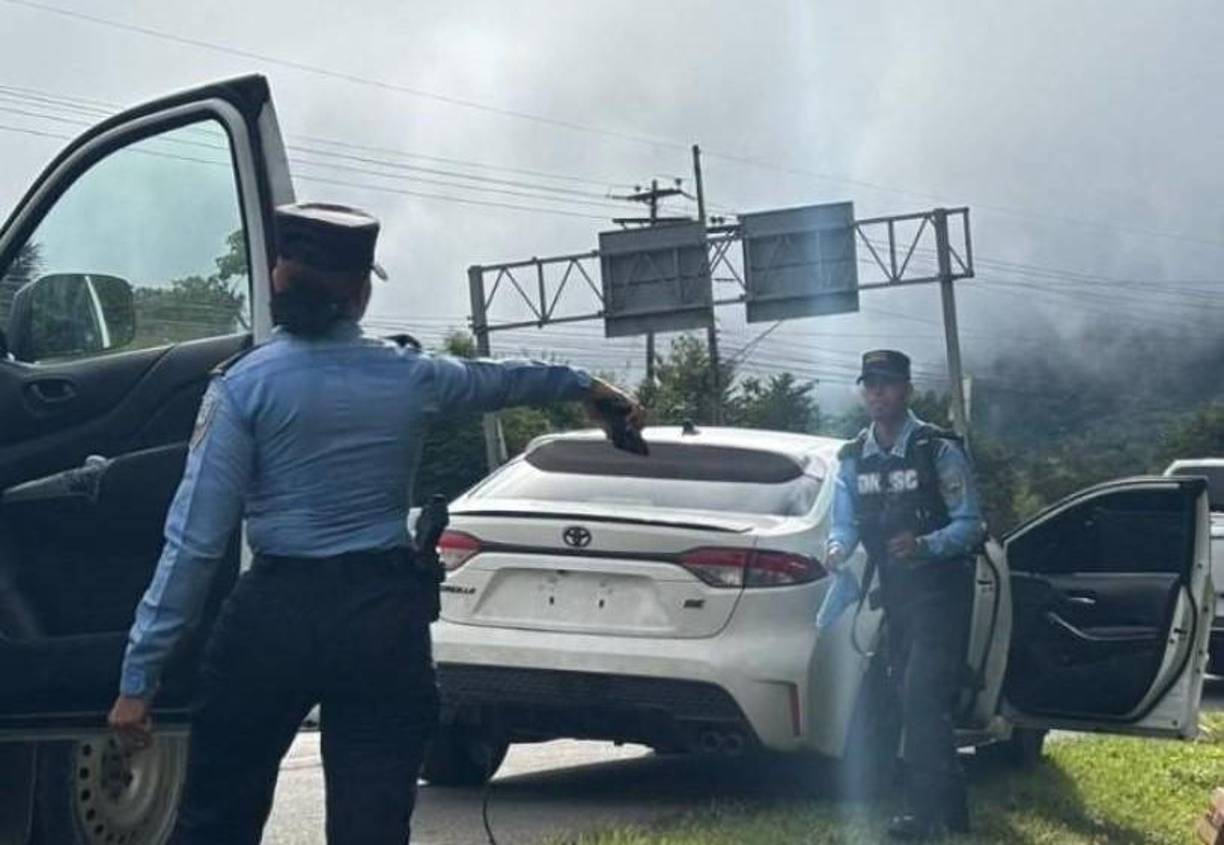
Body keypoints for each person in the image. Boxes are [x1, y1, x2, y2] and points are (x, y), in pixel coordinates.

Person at [107, 202, 643, 845]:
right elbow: (501, 381)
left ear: (277, 279)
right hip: (383, 620)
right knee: (373, 825)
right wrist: (589, 387)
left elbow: (193, 543)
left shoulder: (241, 388)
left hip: (273, 617)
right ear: (360, 295)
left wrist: (139, 676)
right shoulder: (411, 376)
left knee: (218, 815)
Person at [824, 349, 985, 841]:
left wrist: (926, 545)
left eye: (887, 383)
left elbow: (971, 524)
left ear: (907, 391)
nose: (877, 392)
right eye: (869, 383)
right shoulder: (854, 458)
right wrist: (836, 548)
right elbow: (844, 521)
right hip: (896, 595)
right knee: (910, 699)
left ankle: (925, 818)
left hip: (941, 592)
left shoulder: (937, 450)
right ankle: (952, 814)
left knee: (920, 698)